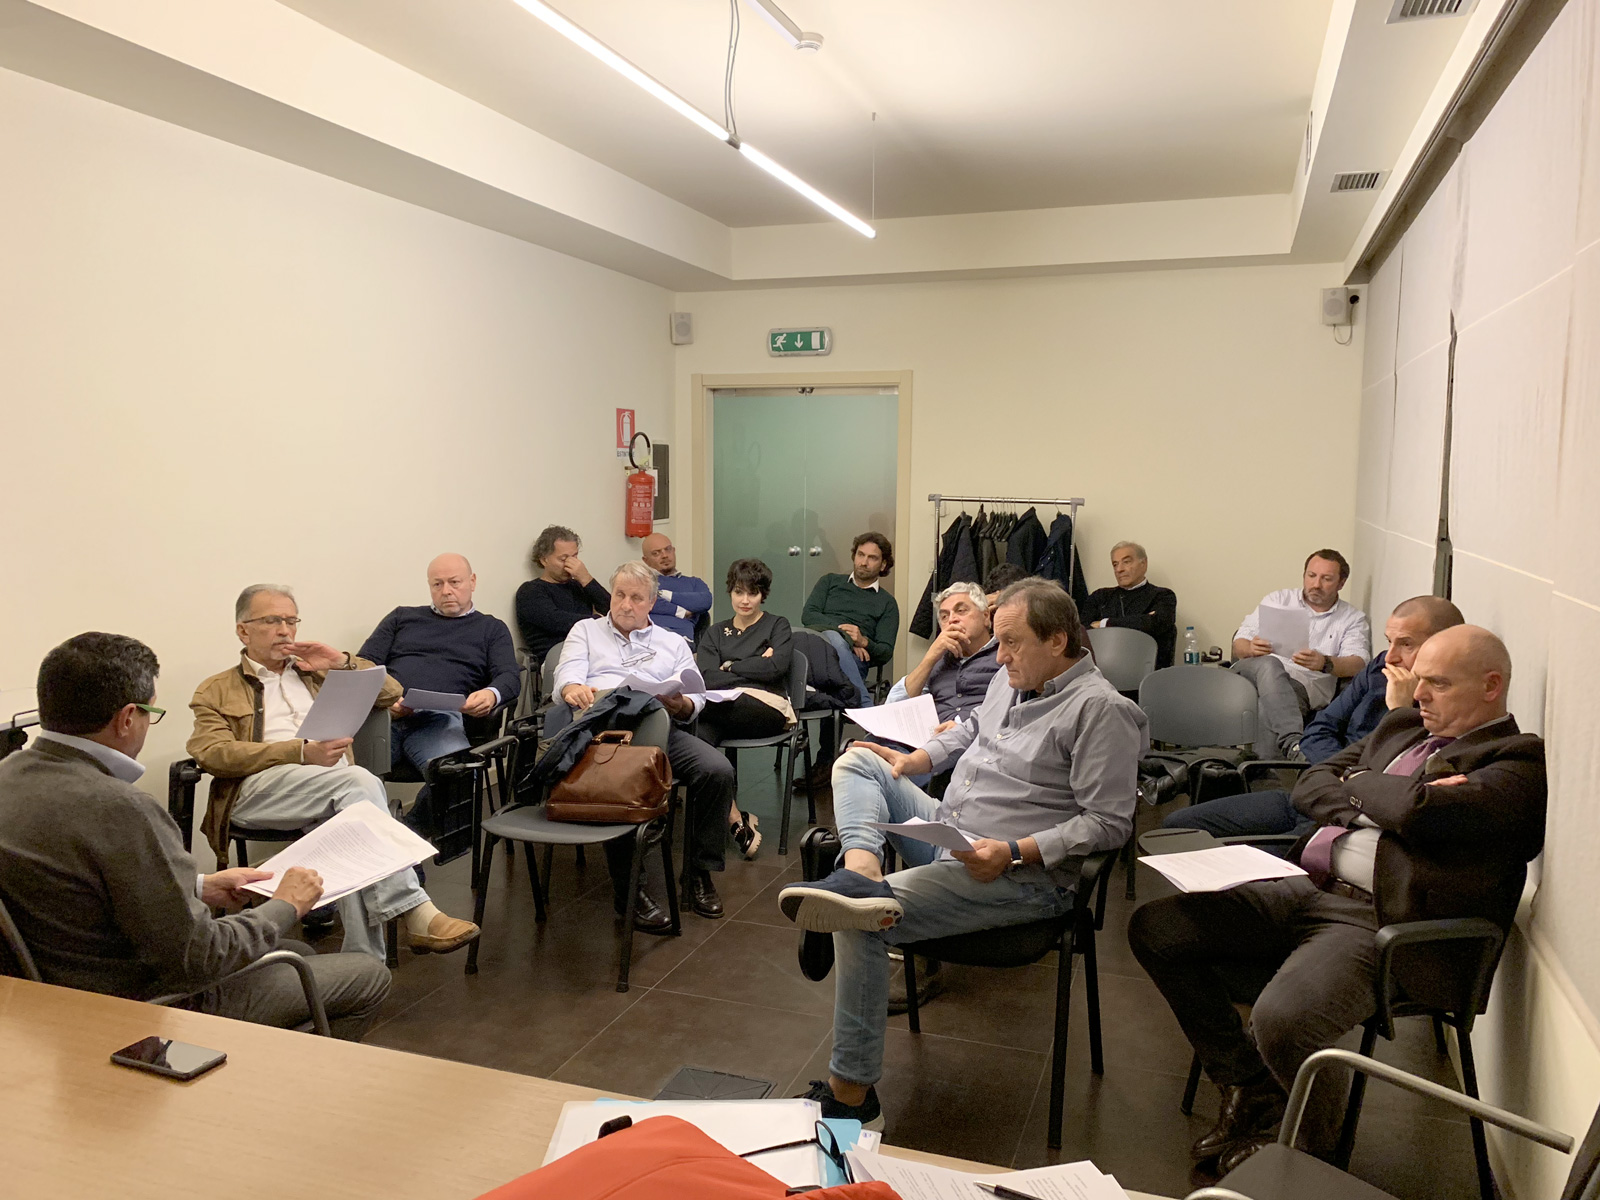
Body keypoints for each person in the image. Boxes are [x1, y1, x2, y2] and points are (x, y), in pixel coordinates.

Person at [1130, 626, 1545, 1173]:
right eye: (1419, 681)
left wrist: (1369, 786)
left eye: (1439, 684)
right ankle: (1250, 1083)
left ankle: (1311, 1150)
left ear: (1491, 686)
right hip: (1308, 885)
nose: (1418, 695)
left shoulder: (1515, 763)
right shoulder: (1402, 727)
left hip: (1381, 921)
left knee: (1283, 1018)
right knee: (1158, 928)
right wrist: (1384, 795)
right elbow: (1312, 784)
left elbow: (1416, 811)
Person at [776, 579, 1148, 1126]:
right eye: (998, 642)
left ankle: (852, 1096)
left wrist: (1015, 851)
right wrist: (915, 760)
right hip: (952, 832)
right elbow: (971, 729)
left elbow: (1109, 823)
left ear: (1058, 640)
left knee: (860, 919)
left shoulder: (1101, 711)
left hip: (1017, 875)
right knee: (858, 760)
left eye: (1011, 643)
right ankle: (860, 869)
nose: (999, 657)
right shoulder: (1011, 678)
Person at [0, 633, 391, 1040]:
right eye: (151, 712)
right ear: (128, 718)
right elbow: (201, 958)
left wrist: (199, 885)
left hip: (51, 997)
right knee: (366, 975)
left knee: (297, 952)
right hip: (143, 1006)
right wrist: (286, 906)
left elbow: (84, 884)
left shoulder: (8, 775)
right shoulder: (121, 807)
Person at [188, 585, 481, 959]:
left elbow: (391, 693)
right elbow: (212, 753)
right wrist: (300, 752)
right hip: (257, 792)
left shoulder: (315, 672)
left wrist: (341, 660)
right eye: (272, 620)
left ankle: (364, 961)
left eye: (291, 620)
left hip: (334, 789)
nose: (285, 630)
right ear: (243, 630)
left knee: (351, 828)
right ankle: (415, 908)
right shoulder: (216, 688)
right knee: (358, 785)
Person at [1164, 596, 1465, 840]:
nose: (1391, 656)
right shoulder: (1378, 670)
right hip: (1318, 792)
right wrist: (1338, 773)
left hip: (1349, 817)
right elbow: (1321, 728)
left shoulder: (1450, 707)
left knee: (1248, 865)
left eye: (1407, 644)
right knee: (1176, 827)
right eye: (1390, 641)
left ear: (1442, 646)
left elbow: (1395, 783)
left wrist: (1400, 712)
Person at [556, 562, 737, 922]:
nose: (625, 604)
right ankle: (630, 892)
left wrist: (683, 704)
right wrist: (571, 687)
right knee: (626, 783)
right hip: (605, 733)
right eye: (619, 595)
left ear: (652, 602)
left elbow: (695, 695)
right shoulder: (586, 631)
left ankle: (698, 873)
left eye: (636, 598)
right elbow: (568, 672)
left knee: (717, 771)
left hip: (659, 727)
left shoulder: (673, 642)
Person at [359, 553, 520, 835]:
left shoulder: (491, 629)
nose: (446, 591)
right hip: (386, 717)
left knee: (458, 774)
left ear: (472, 582)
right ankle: (369, 842)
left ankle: (405, 835)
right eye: (437, 584)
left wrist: (491, 694)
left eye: (454, 582)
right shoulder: (402, 617)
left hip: (440, 719)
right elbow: (364, 664)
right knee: (340, 772)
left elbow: (509, 676)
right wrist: (385, 698)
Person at [695, 558, 796, 860]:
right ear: (730, 592)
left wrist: (729, 666)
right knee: (699, 742)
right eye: (739, 592)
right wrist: (754, 665)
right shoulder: (716, 632)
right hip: (720, 707)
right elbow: (706, 676)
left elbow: (776, 668)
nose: (745, 600)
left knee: (692, 714)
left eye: (753, 593)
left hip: (766, 708)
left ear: (763, 594)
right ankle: (732, 821)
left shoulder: (777, 625)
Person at [1231, 550, 1371, 759]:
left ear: (1341, 583)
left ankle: (1261, 773)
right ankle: (1293, 743)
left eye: (1326, 579)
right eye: (1311, 575)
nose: (1316, 584)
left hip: (1302, 685)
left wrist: (1325, 662)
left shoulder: (1352, 619)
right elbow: (1239, 643)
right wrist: (1250, 648)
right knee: (1270, 664)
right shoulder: (1279, 599)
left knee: (1265, 708)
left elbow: (1358, 663)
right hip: (1255, 671)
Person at [802, 532, 900, 708]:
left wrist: (863, 641)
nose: (864, 562)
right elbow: (808, 615)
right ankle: (865, 706)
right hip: (816, 650)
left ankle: (848, 710)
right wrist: (847, 638)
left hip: (852, 662)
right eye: (860, 555)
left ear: (883, 564)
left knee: (835, 674)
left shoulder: (887, 603)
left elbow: (885, 652)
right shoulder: (829, 582)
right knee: (833, 637)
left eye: (872, 558)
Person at [883, 582, 1000, 723]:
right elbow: (893, 710)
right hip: (933, 734)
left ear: (986, 616)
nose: (952, 620)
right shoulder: (938, 662)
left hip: (981, 733)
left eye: (961, 610)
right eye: (944, 616)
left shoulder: (1004, 655)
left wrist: (962, 728)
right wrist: (930, 658)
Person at [514, 525, 611, 668]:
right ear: (544, 560)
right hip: (559, 658)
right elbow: (558, 622)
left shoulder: (579, 585)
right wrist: (599, 621)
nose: (570, 565)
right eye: (563, 559)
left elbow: (613, 610)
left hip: (593, 652)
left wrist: (586, 579)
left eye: (574, 557)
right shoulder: (530, 591)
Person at [1078, 541, 1179, 669]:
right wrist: (1141, 620)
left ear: (1144, 564)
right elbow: (1082, 631)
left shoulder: (1163, 596)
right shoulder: (1100, 597)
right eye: (1115, 564)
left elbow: (1156, 623)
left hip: (1148, 671)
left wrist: (1104, 624)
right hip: (1102, 673)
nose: (1119, 569)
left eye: (1126, 562)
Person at [641, 533, 713, 644]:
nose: (665, 555)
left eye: (668, 549)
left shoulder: (694, 582)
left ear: (674, 551)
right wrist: (681, 612)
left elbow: (705, 601)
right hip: (648, 639)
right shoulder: (642, 582)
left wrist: (664, 595)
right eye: (656, 553)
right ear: (645, 560)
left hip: (681, 641)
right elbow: (643, 601)